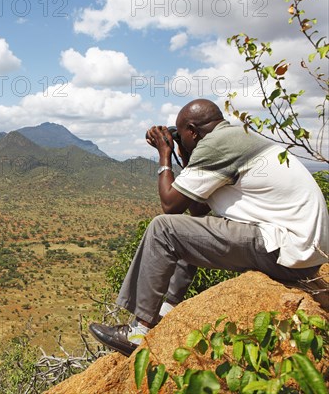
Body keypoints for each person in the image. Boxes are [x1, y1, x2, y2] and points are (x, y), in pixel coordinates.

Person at [89, 98, 329, 357]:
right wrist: (186, 156)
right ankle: (164, 312)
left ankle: (139, 331)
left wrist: (165, 156)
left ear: (192, 131)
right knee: (185, 230)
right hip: (302, 249)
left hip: (287, 249)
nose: (179, 139)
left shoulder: (216, 146)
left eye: (181, 135)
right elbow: (198, 210)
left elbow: (170, 206)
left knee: (164, 228)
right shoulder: (236, 137)